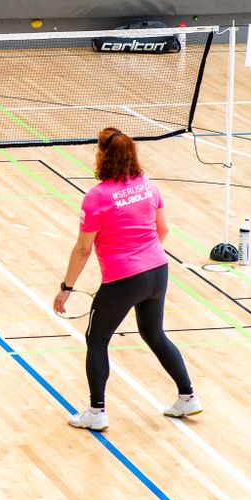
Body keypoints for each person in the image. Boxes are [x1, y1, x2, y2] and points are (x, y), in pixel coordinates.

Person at [54, 127, 200, 431]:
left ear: (103, 156)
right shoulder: (148, 187)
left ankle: (97, 411)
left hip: (124, 278)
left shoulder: (96, 198)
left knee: (97, 340)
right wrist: (146, 259)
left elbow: (83, 249)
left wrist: (66, 288)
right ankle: (187, 396)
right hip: (158, 271)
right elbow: (163, 230)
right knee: (154, 334)